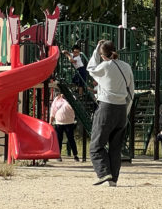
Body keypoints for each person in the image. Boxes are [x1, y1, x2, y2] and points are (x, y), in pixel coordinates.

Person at [87, 40, 134, 187]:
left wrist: (96, 50)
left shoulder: (105, 66)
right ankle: (113, 179)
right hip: (121, 109)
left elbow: (91, 69)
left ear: (102, 55)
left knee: (96, 145)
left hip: (107, 107)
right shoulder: (126, 66)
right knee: (115, 147)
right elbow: (131, 91)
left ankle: (103, 172)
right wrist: (126, 110)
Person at [48, 86, 79, 161]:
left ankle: (75, 155)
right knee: (59, 140)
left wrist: (66, 98)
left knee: (71, 139)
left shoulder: (71, 98)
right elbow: (53, 110)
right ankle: (58, 155)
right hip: (59, 123)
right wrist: (50, 122)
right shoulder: (57, 100)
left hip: (69, 123)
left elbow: (74, 107)